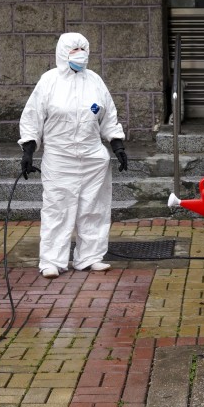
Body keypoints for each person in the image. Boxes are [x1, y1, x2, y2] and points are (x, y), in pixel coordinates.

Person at [19, 33, 128, 280]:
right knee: (57, 208)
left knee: (94, 208)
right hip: (60, 157)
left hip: (93, 158)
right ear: (62, 52)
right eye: (74, 49)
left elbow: (109, 117)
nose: (80, 54)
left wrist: (118, 146)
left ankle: (90, 257)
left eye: (83, 49)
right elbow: (33, 117)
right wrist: (28, 150)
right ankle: (51, 261)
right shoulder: (49, 81)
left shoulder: (95, 81)